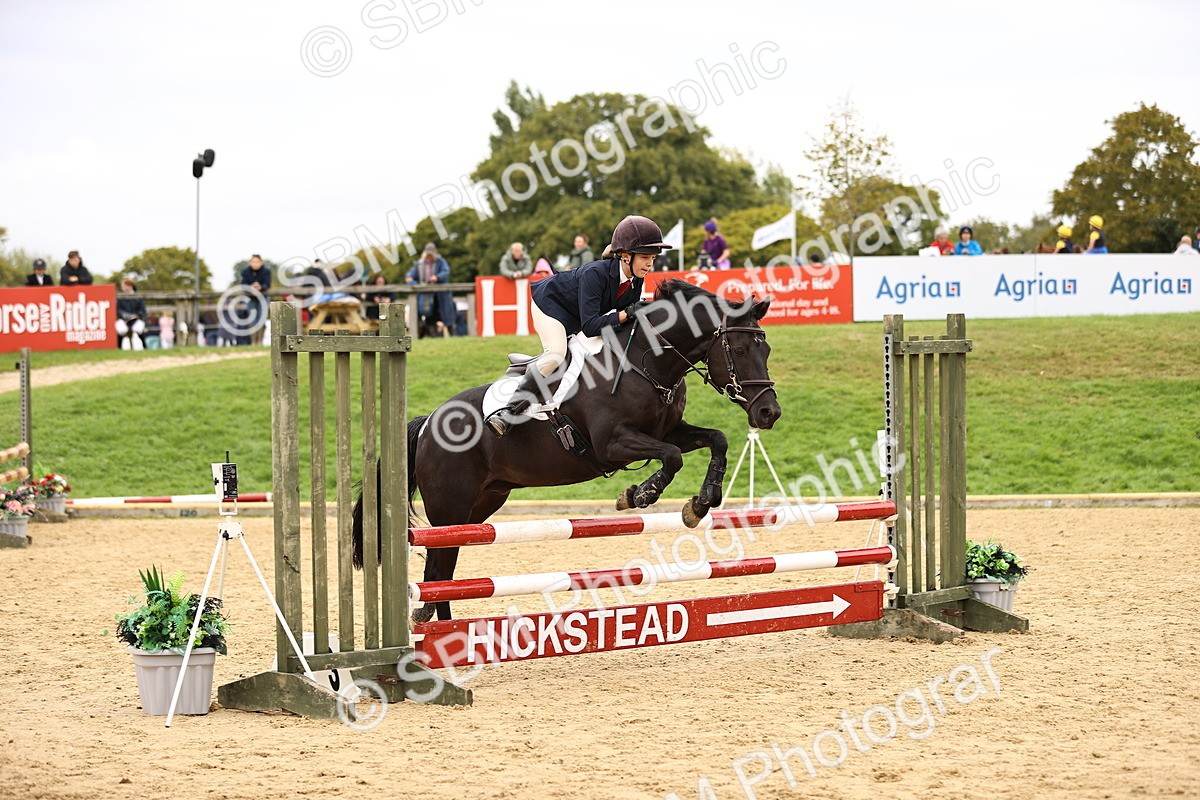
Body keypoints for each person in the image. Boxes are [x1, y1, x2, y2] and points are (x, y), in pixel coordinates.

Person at [485, 214, 669, 437]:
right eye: (645, 257)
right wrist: (624, 315)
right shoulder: (596, 274)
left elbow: (624, 321)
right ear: (626, 256)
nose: (650, 264)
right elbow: (591, 327)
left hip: (578, 314)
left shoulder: (636, 279)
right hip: (550, 305)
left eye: (653, 258)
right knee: (556, 354)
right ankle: (508, 412)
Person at [406, 243, 456, 337]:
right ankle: (431, 335)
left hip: (441, 295)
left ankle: (452, 334)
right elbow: (411, 274)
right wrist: (410, 278)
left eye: (431, 254)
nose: (429, 256)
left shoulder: (440, 261)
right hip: (427, 295)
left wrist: (437, 277)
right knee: (428, 316)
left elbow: (446, 272)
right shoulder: (420, 263)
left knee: (447, 315)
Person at [240, 254, 272, 345]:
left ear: (261, 262)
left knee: (262, 319)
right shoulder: (245, 272)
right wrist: (251, 287)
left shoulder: (266, 271)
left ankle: (260, 342)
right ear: (250, 263)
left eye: (257, 262)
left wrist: (261, 287)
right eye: (253, 262)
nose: (255, 264)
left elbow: (267, 284)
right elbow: (243, 284)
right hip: (251, 298)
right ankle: (253, 342)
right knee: (252, 319)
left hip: (263, 297)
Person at [115, 278, 147, 351]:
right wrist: (125, 315)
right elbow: (118, 310)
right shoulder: (120, 297)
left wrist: (136, 315)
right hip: (124, 319)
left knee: (139, 329)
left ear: (130, 286)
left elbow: (142, 310)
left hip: (136, 319)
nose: (123, 288)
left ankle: (145, 347)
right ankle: (119, 348)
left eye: (125, 286)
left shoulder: (138, 297)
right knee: (121, 329)